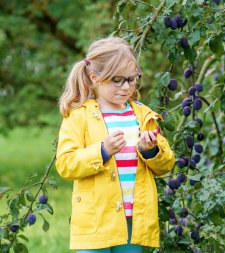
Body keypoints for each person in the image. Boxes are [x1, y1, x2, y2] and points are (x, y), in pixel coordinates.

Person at [55, 37, 175, 253]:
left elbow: (166, 165)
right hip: (96, 220)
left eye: (131, 79)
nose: (126, 87)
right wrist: (102, 151)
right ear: (95, 78)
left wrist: (152, 151)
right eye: (117, 80)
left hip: (133, 219)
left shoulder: (142, 115)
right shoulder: (80, 116)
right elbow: (65, 163)